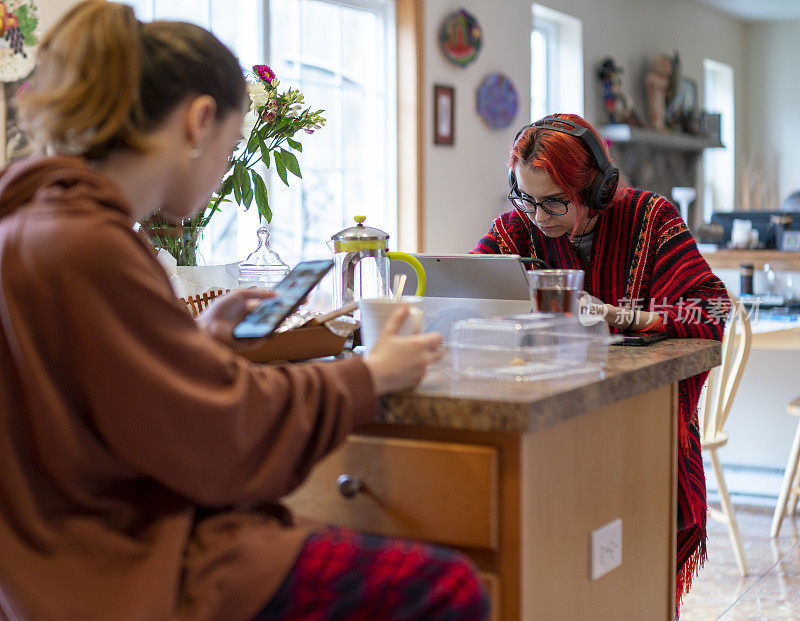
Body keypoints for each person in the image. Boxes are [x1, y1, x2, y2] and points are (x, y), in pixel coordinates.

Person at [0, 2, 489, 620]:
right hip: (125, 568)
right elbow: (219, 436)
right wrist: (371, 375)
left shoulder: (29, 223)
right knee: (446, 587)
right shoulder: (89, 245)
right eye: (231, 147)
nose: (225, 167)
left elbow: (101, 394)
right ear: (200, 121)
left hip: (47, 566)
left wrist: (195, 340)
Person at [472, 113, 729, 610]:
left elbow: (711, 308)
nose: (538, 217)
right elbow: (472, 283)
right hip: (553, 409)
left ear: (595, 188)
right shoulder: (518, 228)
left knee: (623, 573)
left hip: (639, 418)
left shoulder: (652, 219)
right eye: (526, 198)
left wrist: (626, 316)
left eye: (554, 201)